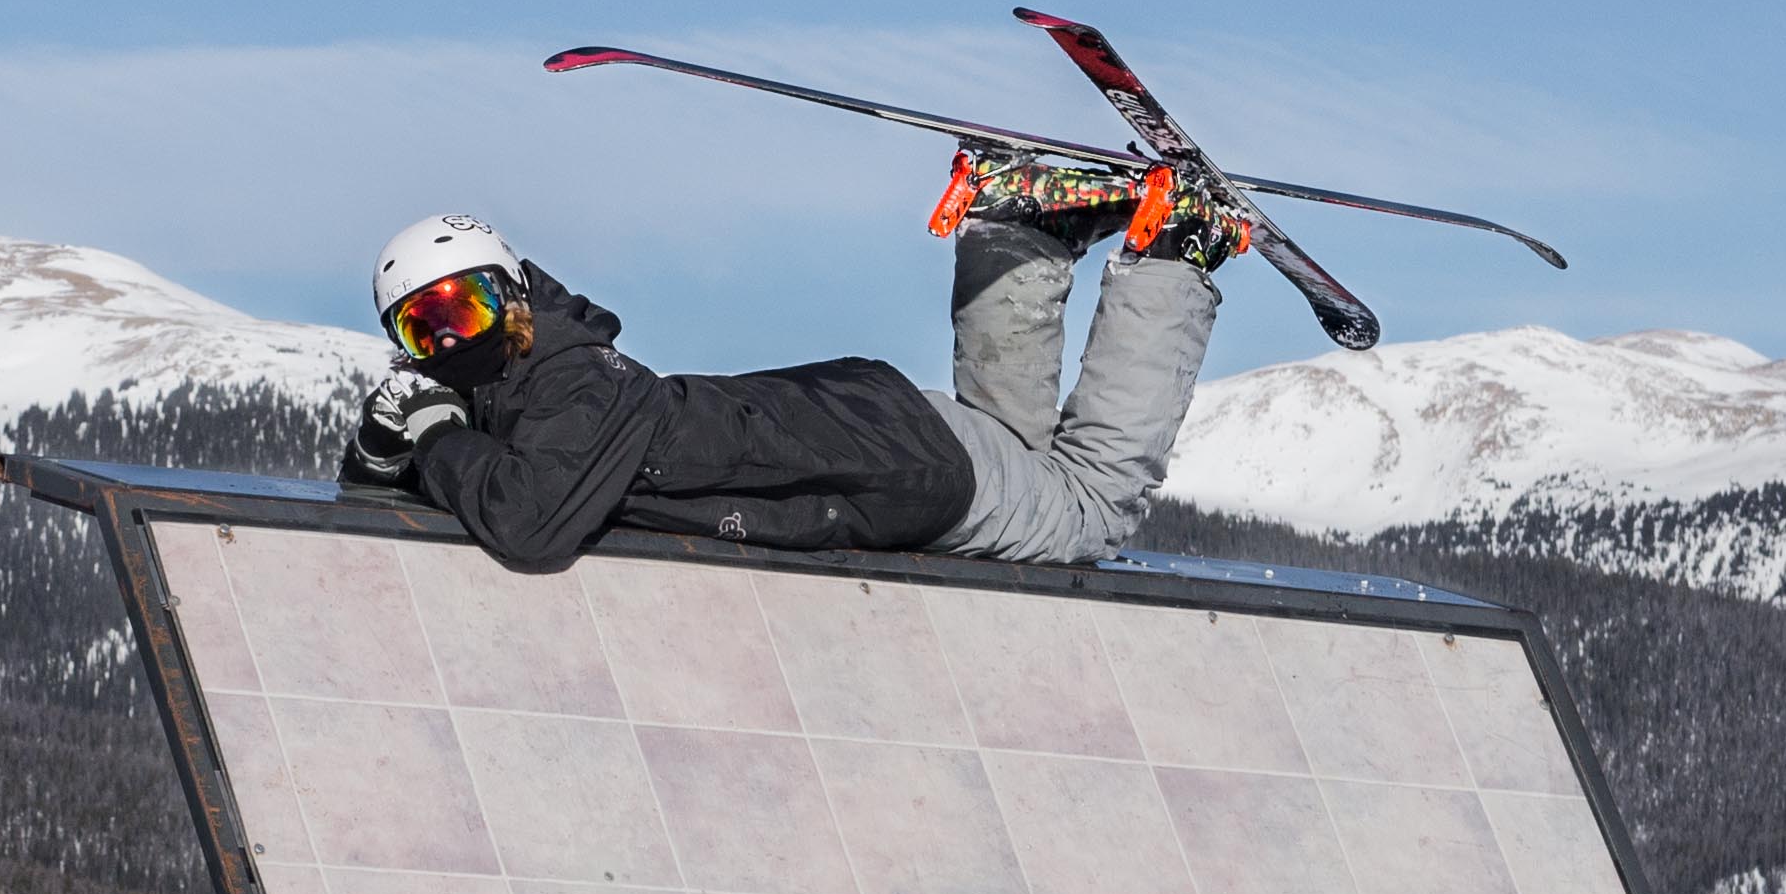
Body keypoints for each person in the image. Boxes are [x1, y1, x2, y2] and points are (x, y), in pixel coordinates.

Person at [337, 151, 1250, 574]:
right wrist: (391, 451)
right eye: (425, 328)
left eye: (468, 304)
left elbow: (528, 523)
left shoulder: (576, 383)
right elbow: (384, 515)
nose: (455, 339)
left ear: (515, 290)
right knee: (1018, 447)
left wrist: (434, 435)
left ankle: (1174, 255)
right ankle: (1019, 232)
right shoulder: (535, 394)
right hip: (875, 428)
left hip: (896, 468)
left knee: (1087, 509)